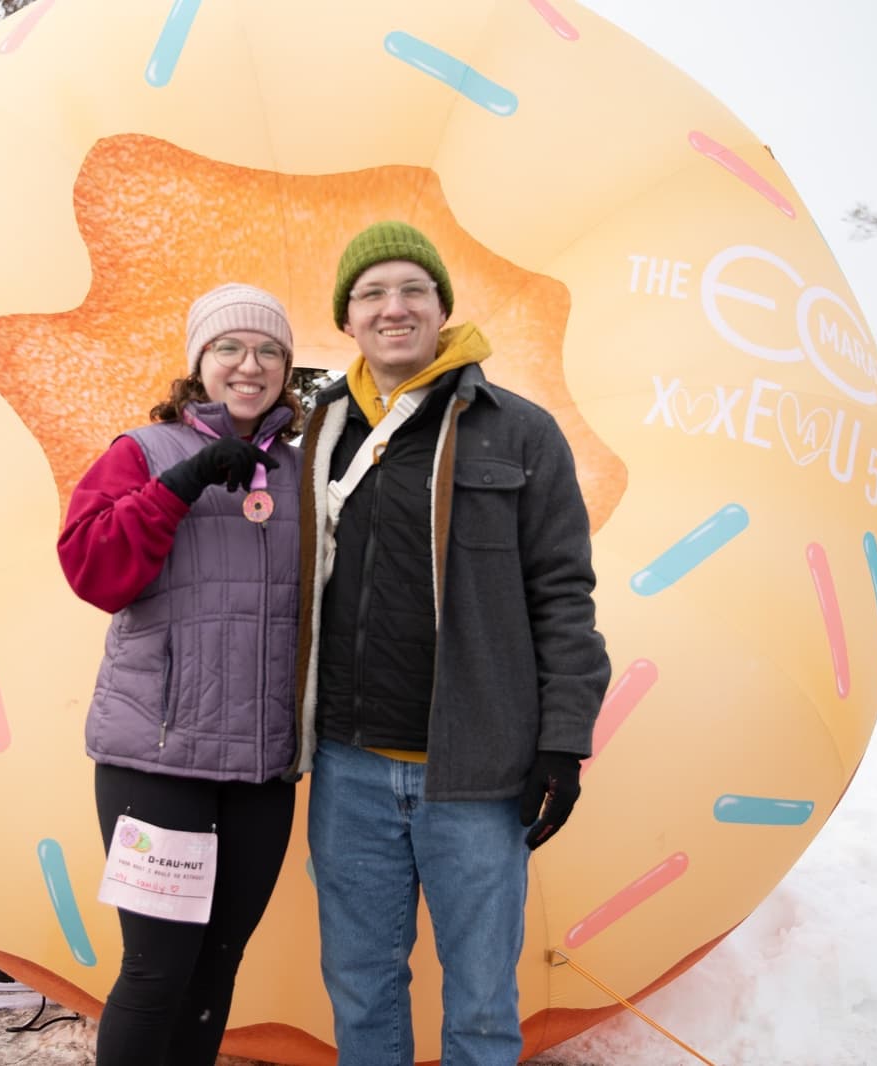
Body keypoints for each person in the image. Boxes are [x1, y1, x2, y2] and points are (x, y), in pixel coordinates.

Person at [291, 221, 612, 1065]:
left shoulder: (520, 432)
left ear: (441, 309)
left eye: (412, 291)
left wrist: (562, 742)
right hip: (349, 768)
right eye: (372, 294)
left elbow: (563, 594)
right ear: (347, 318)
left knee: (479, 1002)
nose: (393, 308)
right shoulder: (318, 435)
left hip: (475, 771)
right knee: (361, 986)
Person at [58, 282, 303, 1066]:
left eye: (268, 350)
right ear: (198, 362)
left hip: (261, 767)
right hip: (160, 760)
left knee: (214, 968)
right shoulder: (143, 451)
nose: (249, 364)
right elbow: (94, 569)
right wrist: (181, 484)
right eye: (228, 347)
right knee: (158, 972)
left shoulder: (304, 471)